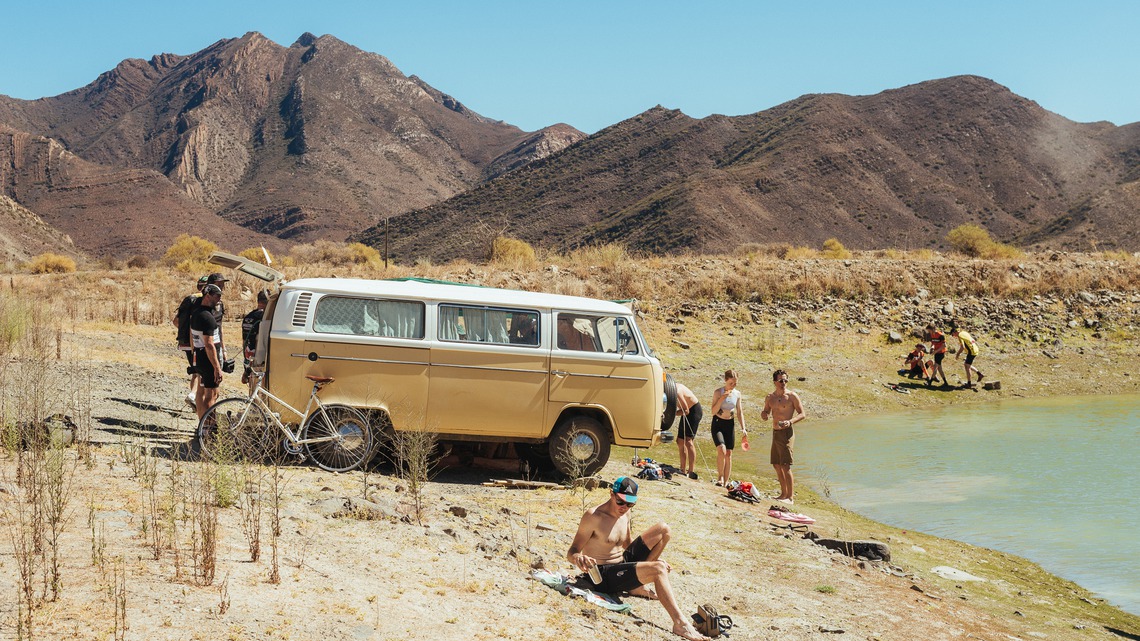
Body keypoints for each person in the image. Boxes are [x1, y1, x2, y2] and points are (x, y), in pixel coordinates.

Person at [567, 477, 710, 641]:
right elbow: (572, 551)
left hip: (620, 565)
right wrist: (578, 558)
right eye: (620, 502)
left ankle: (636, 586)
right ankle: (680, 624)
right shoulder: (594, 516)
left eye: (630, 504)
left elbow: (627, 544)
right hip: (601, 576)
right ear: (612, 494)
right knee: (658, 570)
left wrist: (647, 565)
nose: (624, 507)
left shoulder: (625, 513)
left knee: (664, 530)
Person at [760, 369, 805, 504]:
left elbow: (802, 414)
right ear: (775, 382)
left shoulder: (792, 396)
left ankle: (790, 497)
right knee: (776, 464)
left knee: (786, 465)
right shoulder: (770, 397)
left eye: (785, 380)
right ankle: (783, 494)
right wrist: (764, 414)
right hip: (775, 432)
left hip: (787, 433)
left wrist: (790, 421)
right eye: (781, 380)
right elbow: (766, 411)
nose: (783, 383)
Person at [173, 275, 208, 407]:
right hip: (198, 342)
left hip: (185, 342)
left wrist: (186, 334)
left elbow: (176, 321)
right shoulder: (202, 301)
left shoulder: (188, 299)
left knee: (195, 371)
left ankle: (194, 397)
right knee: (201, 371)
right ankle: (194, 396)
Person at [190, 284, 225, 419]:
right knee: (211, 395)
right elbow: (209, 344)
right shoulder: (207, 317)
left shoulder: (196, 313)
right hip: (207, 360)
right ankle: (208, 427)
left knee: (204, 393)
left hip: (199, 356)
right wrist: (217, 367)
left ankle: (203, 425)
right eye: (217, 296)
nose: (219, 299)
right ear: (208, 295)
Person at [709, 370, 746, 487]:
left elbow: (739, 412)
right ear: (725, 380)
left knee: (729, 453)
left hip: (730, 424)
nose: (733, 386)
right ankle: (720, 477)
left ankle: (726, 481)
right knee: (721, 449)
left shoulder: (737, 394)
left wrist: (743, 428)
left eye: (735, 383)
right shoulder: (718, 392)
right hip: (718, 423)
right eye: (731, 383)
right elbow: (713, 411)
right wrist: (721, 399)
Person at [673, 382, 702, 480]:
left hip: (693, 410)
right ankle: (682, 468)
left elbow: (686, 410)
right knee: (680, 441)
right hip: (686, 411)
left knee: (688, 441)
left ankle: (691, 471)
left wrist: (673, 414)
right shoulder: (669, 391)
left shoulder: (677, 391)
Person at [241, 289, 269, 387]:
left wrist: (246, 369)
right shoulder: (264, 318)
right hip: (260, 360)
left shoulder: (248, 317)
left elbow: (244, 342)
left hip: (249, 357)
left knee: (252, 390)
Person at [924, 323, 951, 387]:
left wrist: (936, 351)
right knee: (939, 368)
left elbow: (944, 345)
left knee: (935, 367)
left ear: (933, 329)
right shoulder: (932, 335)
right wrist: (932, 348)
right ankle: (945, 382)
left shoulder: (940, 335)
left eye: (929, 331)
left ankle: (930, 382)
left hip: (941, 353)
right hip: (936, 353)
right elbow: (933, 343)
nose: (929, 332)